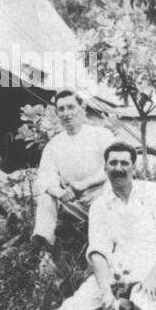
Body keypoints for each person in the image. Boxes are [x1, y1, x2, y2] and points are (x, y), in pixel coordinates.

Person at [0, 142, 156, 310]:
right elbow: (98, 252)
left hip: (153, 267)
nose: (119, 168)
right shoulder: (100, 205)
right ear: (105, 168)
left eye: (125, 163)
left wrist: (154, 276)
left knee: (145, 302)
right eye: (113, 163)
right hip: (117, 270)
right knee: (74, 305)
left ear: (134, 168)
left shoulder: (152, 192)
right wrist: (105, 290)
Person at [31, 90, 116, 250]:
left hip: (101, 196)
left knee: (113, 186)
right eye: (61, 110)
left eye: (71, 107)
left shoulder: (101, 135)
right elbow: (45, 178)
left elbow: (114, 167)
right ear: (57, 114)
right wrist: (59, 193)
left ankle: (106, 249)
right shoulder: (54, 145)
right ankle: (44, 250)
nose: (66, 113)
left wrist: (84, 184)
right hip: (74, 202)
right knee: (46, 198)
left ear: (82, 109)